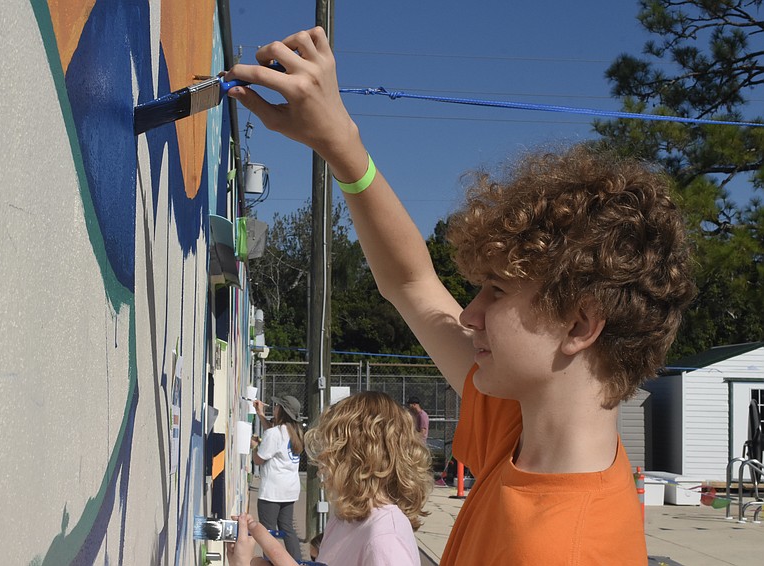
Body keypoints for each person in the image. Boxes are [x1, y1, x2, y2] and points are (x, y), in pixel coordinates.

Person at [226, 27, 697, 564]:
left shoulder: (565, 548)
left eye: (496, 292)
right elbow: (412, 284)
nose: (469, 315)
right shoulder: (522, 428)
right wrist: (340, 144)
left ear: (579, 326)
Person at [229, 391, 432, 566]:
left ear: (360, 461)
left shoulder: (385, 539)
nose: (321, 468)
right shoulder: (346, 518)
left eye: (331, 454)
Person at [251, 395, 304, 560]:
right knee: (287, 529)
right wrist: (260, 414)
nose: (274, 408)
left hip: (272, 491)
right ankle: (297, 562)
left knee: (267, 533)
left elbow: (258, 459)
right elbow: (273, 437)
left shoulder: (275, 433)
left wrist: (254, 447)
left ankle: (271, 562)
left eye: (276, 406)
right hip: (289, 489)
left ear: (282, 411)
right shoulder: (295, 431)